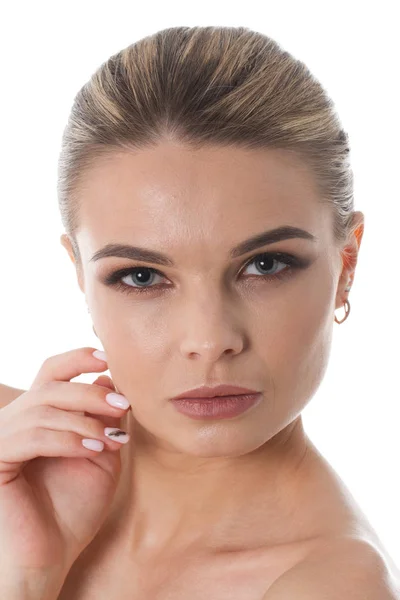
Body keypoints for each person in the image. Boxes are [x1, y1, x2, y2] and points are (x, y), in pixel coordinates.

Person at [1, 25, 399, 599]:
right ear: (80, 276)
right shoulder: (10, 461)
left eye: (265, 265)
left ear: (348, 263)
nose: (210, 340)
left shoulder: (329, 586)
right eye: (141, 276)